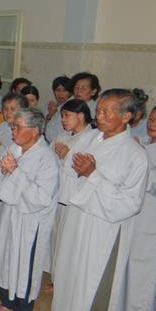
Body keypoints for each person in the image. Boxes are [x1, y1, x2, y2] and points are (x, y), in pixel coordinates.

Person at [48, 89, 148, 311]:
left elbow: (130, 204)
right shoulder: (90, 138)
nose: (99, 116)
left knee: (94, 286)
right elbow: (70, 170)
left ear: (126, 116)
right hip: (77, 218)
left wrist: (93, 175)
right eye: (99, 110)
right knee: (69, 274)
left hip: (103, 230)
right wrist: (74, 168)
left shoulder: (134, 155)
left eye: (106, 111)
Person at [0, 108, 59, 311]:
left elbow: (41, 196)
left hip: (31, 220)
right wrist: (4, 171)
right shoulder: (13, 148)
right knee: (7, 256)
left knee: (26, 262)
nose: (13, 131)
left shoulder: (47, 158)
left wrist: (15, 172)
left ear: (35, 130)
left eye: (18, 127)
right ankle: (6, 299)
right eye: (13, 126)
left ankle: (23, 307)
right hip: (12, 212)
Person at [116, 102, 156, 311]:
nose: (153, 124)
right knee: (124, 264)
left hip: (153, 218)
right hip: (132, 212)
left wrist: (143, 159)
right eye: (152, 119)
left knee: (143, 269)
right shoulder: (144, 142)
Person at [46, 99, 93, 285]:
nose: (63, 120)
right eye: (62, 116)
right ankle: (55, 277)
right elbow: (48, 159)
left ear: (80, 115)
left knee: (69, 241)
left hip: (75, 198)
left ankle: (64, 280)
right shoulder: (63, 135)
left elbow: (83, 170)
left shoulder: (92, 138)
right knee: (57, 237)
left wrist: (66, 156)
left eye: (67, 115)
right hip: (58, 193)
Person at [0, 93, 28, 260]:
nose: (8, 113)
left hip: (9, 181)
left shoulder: (24, 131)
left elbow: (19, 157)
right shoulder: (2, 127)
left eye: (13, 109)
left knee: (3, 218)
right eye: (5, 109)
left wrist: (0, 149)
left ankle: (2, 252)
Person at [44, 76, 73, 143]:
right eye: (58, 90)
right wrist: (50, 116)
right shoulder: (48, 106)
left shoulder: (71, 108)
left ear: (70, 93)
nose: (61, 94)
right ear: (54, 91)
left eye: (65, 91)